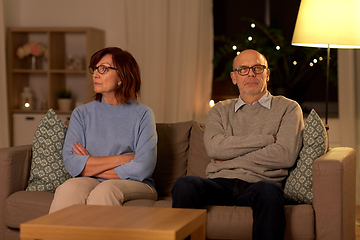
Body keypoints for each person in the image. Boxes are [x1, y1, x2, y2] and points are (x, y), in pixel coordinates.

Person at [172, 49, 304, 240]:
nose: (251, 73)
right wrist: (267, 139)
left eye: (257, 68)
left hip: (260, 185)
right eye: (243, 69)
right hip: (219, 184)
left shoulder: (289, 108)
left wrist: (228, 156)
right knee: (185, 184)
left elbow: (285, 155)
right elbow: (214, 148)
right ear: (234, 78)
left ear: (267, 74)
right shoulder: (220, 110)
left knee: (269, 191)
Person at [49, 47, 158, 213]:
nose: (95, 74)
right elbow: (72, 163)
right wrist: (124, 159)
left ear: (122, 77)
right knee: (69, 187)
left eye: (104, 69)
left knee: (105, 190)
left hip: (137, 184)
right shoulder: (81, 113)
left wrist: (90, 163)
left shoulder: (143, 114)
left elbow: (143, 167)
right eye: (95, 68)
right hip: (92, 180)